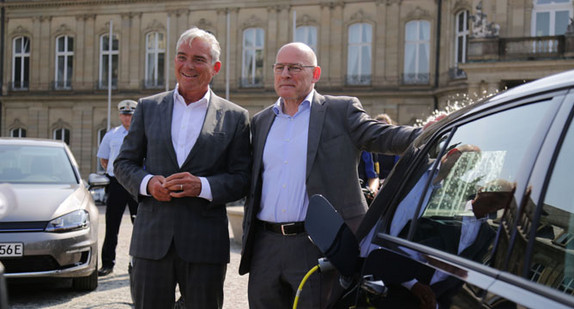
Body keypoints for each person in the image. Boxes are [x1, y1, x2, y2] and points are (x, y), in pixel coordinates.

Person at [239, 42, 422, 309]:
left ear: (316, 74)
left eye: (295, 67)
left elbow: (383, 136)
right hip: (265, 246)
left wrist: (430, 135)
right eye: (280, 67)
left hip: (315, 244)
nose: (285, 74)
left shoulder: (340, 111)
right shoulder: (261, 120)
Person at [113, 27, 250, 309]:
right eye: (181, 57)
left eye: (199, 59)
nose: (188, 66)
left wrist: (204, 187)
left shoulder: (235, 117)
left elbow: (242, 179)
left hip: (205, 245)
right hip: (152, 241)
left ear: (215, 67)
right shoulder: (148, 108)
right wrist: (148, 183)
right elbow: (124, 163)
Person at [96, 99, 140, 277]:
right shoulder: (111, 135)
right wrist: (113, 172)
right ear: (120, 115)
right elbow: (104, 158)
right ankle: (107, 263)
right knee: (112, 225)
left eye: (130, 114)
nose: (127, 117)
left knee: (140, 225)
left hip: (136, 183)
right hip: (117, 183)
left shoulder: (143, 133)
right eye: (124, 114)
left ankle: (139, 263)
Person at [373, 113, 400, 183]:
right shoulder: (369, 148)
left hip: (390, 184)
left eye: (385, 127)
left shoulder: (396, 148)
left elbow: (398, 169)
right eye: (379, 127)